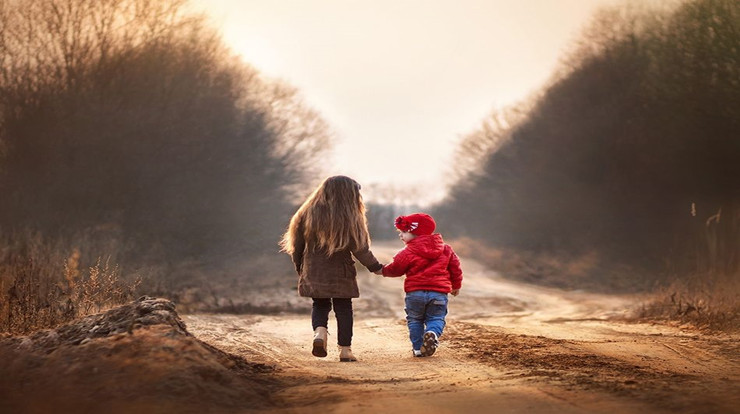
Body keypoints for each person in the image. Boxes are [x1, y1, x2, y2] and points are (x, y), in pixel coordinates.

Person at [280, 175, 382, 362]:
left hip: (313, 268)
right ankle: (345, 350)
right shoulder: (350, 216)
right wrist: (375, 267)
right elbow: (360, 248)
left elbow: (297, 247)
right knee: (344, 309)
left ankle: (320, 332)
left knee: (319, 304)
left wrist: (301, 268)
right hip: (341, 271)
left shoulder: (306, 213)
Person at [375, 213, 463, 357]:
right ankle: (432, 333)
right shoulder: (446, 249)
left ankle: (417, 348)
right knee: (436, 318)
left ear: (416, 233)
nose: (400, 235)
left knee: (415, 320)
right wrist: (456, 285)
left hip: (415, 293)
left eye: (404, 232)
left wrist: (382, 270)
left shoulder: (408, 251)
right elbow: (455, 268)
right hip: (438, 293)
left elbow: (396, 268)